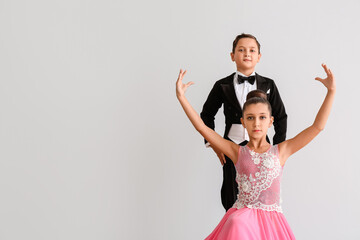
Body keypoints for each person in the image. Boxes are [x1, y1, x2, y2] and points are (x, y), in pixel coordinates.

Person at [176, 64, 335, 239]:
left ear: (271, 121)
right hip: (243, 220)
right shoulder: (236, 151)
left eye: (262, 117)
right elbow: (201, 127)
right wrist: (182, 97)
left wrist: (331, 92)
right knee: (237, 222)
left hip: (272, 222)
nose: (256, 123)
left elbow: (317, 127)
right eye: (250, 118)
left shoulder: (281, 151)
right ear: (243, 122)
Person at [200, 33, 287, 211]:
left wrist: (277, 152)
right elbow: (206, 114)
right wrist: (214, 145)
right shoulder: (221, 85)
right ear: (232, 56)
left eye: (251, 50)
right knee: (231, 196)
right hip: (232, 148)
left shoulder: (269, 84)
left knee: (264, 197)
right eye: (241, 50)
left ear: (258, 57)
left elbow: (281, 117)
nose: (246, 54)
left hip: (263, 150)